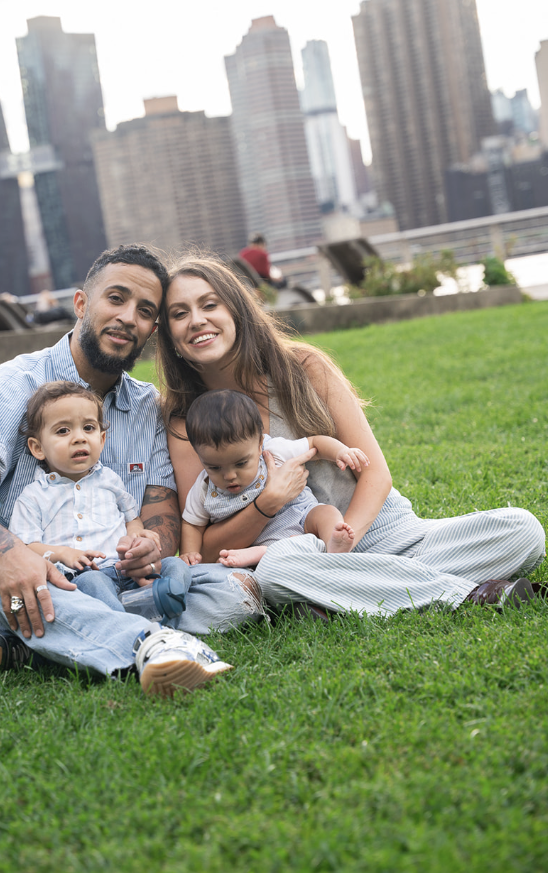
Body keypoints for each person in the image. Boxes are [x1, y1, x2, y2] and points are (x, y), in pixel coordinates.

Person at [0, 244, 260, 696]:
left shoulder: (148, 406)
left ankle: (21, 650)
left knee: (235, 588)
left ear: (153, 328)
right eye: (116, 298)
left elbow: (160, 516)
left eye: (145, 310)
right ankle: (152, 643)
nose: (129, 316)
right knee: (23, 583)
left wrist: (150, 546)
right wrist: (10, 553)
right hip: (6, 580)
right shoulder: (13, 384)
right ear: (81, 303)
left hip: (116, 578)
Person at [157, 254, 545, 617]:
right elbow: (206, 550)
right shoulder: (183, 423)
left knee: (522, 530)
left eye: (210, 305)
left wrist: (343, 553)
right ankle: (470, 594)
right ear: (170, 337)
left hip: (381, 532)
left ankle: (347, 592)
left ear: (236, 311)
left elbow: (376, 474)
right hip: (294, 554)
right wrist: (267, 504)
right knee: (275, 575)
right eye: (179, 313)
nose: (196, 320)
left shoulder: (303, 368)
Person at [2, 380, 191, 635]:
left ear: (101, 439)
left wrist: (136, 539)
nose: (79, 438)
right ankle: (135, 631)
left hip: (124, 570)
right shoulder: (34, 496)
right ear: (37, 448)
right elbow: (27, 547)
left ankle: (160, 616)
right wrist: (62, 553)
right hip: (81, 577)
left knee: (176, 566)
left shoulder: (110, 481)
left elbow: (131, 518)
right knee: (92, 581)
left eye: (88, 428)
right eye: (62, 431)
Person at [180, 389, 368, 566]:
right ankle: (264, 553)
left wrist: (340, 451)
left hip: (303, 518)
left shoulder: (274, 451)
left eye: (241, 463)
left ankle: (334, 549)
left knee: (326, 513)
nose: (229, 475)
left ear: (260, 444)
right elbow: (192, 523)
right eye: (214, 467)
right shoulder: (204, 488)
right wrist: (189, 552)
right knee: (252, 560)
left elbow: (314, 442)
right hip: (259, 543)